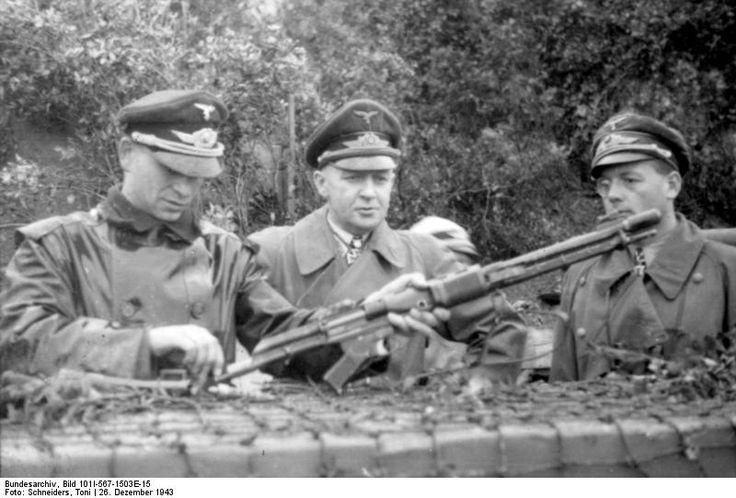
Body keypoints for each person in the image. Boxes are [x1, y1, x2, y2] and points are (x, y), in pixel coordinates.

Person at [0, 90, 442, 391]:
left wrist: (367, 318)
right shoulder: (57, 245)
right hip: (91, 461)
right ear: (125, 153)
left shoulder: (223, 252)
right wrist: (145, 344)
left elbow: (279, 333)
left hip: (207, 453)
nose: (185, 189)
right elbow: (19, 340)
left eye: (197, 175)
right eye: (171, 171)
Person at [246, 99, 527, 382]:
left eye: (380, 179)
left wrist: (479, 390)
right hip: (297, 420)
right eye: (354, 178)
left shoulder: (426, 255)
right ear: (321, 183)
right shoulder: (270, 253)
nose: (370, 192)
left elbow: (501, 328)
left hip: (397, 421)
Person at [550, 111, 736, 381]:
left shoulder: (726, 269)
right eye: (605, 184)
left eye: (630, 180)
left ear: (671, 186)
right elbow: (561, 386)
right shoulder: (581, 272)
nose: (613, 194)